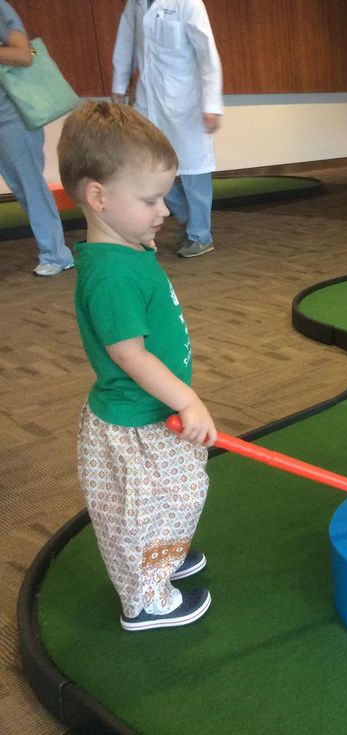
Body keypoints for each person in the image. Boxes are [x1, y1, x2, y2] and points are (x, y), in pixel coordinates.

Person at [58, 101, 217, 631]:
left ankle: (163, 557)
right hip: (134, 425)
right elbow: (129, 353)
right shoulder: (111, 276)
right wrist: (188, 399)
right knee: (145, 509)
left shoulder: (126, 250)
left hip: (154, 414)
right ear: (99, 198)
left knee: (181, 491)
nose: (165, 211)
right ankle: (146, 599)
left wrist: (140, 234)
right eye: (150, 200)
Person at [111, 0, 223, 259]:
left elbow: (207, 54)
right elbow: (125, 42)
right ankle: (189, 222)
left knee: (195, 172)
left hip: (186, 102)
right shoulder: (135, 4)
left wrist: (212, 104)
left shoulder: (188, 4)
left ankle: (200, 235)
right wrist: (119, 85)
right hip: (149, 101)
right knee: (152, 168)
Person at [0, 0, 74, 277]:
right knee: (22, 187)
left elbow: (24, 55)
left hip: (12, 115)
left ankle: (56, 254)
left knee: (29, 185)